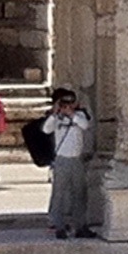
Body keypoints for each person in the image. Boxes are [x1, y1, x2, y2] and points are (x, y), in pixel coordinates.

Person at [46, 87, 92, 239]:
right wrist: (55, 113)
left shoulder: (79, 115)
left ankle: (80, 226)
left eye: (71, 102)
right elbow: (46, 129)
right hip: (62, 159)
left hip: (76, 159)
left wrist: (72, 114)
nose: (68, 105)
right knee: (59, 193)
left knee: (79, 194)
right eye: (65, 102)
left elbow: (85, 125)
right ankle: (58, 225)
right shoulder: (57, 118)